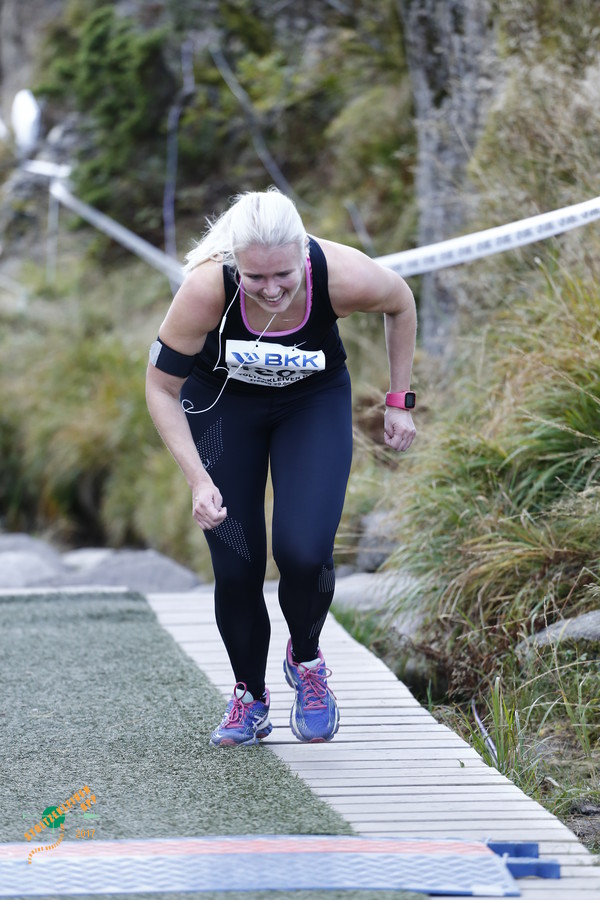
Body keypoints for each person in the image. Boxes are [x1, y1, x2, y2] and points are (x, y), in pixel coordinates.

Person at [145, 188, 416, 748]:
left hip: (310, 404)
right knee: (237, 564)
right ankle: (250, 698)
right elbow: (161, 387)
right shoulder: (207, 287)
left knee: (304, 551)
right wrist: (198, 480)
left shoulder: (341, 274)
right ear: (234, 261)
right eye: (255, 277)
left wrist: (399, 400)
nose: (270, 290)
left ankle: (307, 662)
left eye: (284, 276)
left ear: (303, 253)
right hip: (223, 407)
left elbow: (402, 302)